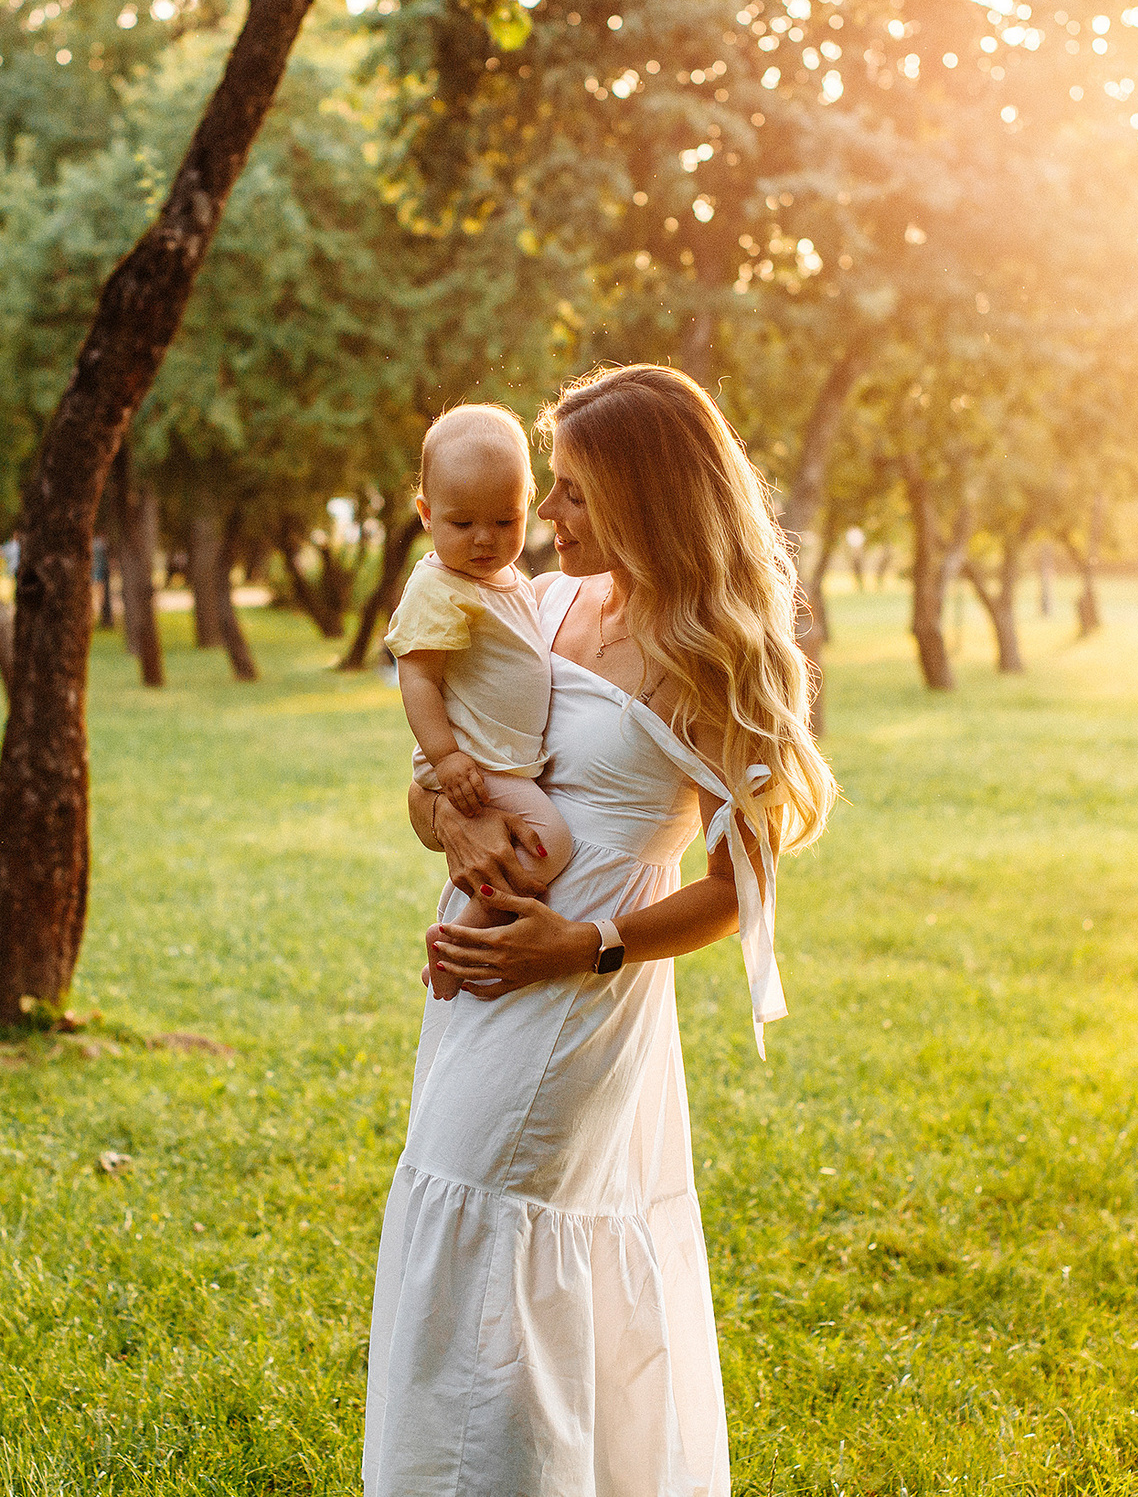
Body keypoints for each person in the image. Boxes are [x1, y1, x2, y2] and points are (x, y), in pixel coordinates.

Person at [363, 364, 839, 1496]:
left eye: (572, 494)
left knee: (496, 1245)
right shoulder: (534, 602)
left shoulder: (716, 658)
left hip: (583, 995)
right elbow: (444, 779)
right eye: (552, 491)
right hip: (480, 973)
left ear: (647, 494)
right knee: (474, 1239)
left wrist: (584, 946)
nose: (548, 518)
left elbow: (740, 892)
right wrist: (450, 823)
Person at [384, 404, 576, 1001]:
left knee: (533, 850)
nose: (485, 538)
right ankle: (462, 943)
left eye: (505, 518)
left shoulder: (513, 581)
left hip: (502, 759)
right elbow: (416, 678)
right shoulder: (439, 586)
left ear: (529, 502)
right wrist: (444, 760)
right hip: (476, 764)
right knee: (551, 845)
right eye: (462, 523)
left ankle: (471, 938)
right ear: (426, 514)